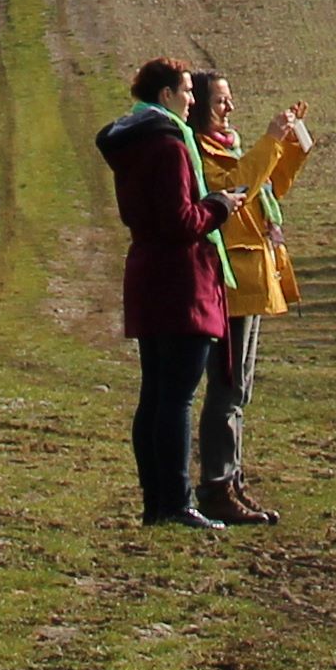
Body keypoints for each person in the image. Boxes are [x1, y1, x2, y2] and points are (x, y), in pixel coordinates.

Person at [97, 56, 242, 530]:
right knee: (176, 397)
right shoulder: (170, 146)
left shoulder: (131, 142)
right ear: (165, 96)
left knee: (155, 394)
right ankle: (176, 501)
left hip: (147, 275)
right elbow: (182, 221)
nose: (192, 99)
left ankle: (155, 500)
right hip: (182, 282)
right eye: (186, 91)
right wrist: (220, 206)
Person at [189, 67, 309, 527]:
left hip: (253, 281)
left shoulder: (230, 146)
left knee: (241, 387)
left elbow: (268, 190)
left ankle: (231, 480)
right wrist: (269, 142)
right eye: (221, 101)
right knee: (227, 387)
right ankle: (217, 486)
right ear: (198, 106)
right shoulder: (200, 152)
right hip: (230, 285)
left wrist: (291, 146)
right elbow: (237, 187)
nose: (229, 108)